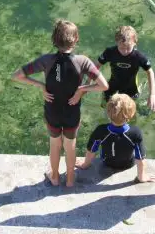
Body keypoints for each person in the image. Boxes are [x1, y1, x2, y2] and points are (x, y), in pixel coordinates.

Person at [12, 19, 108, 187]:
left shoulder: (46, 60)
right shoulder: (83, 61)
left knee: (55, 145)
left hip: (52, 112)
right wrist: (81, 89)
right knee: (70, 146)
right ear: (76, 39)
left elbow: (17, 75)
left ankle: (55, 177)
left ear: (54, 40)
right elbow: (104, 85)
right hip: (72, 112)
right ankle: (70, 180)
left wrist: (41, 85)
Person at [76, 93, 154, 182]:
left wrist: (85, 164)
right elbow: (140, 158)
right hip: (128, 164)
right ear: (130, 114)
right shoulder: (135, 132)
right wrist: (141, 177)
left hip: (107, 163)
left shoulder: (100, 130)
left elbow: (91, 149)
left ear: (108, 113)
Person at [95, 26, 155, 112]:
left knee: (128, 110)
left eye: (128, 48)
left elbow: (150, 71)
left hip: (131, 88)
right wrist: (88, 82)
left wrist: (152, 95)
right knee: (106, 107)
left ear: (135, 42)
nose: (125, 52)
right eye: (121, 48)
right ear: (116, 42)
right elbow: (96, 66)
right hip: (113, 84)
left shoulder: (138, 57)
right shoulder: (110, 52)